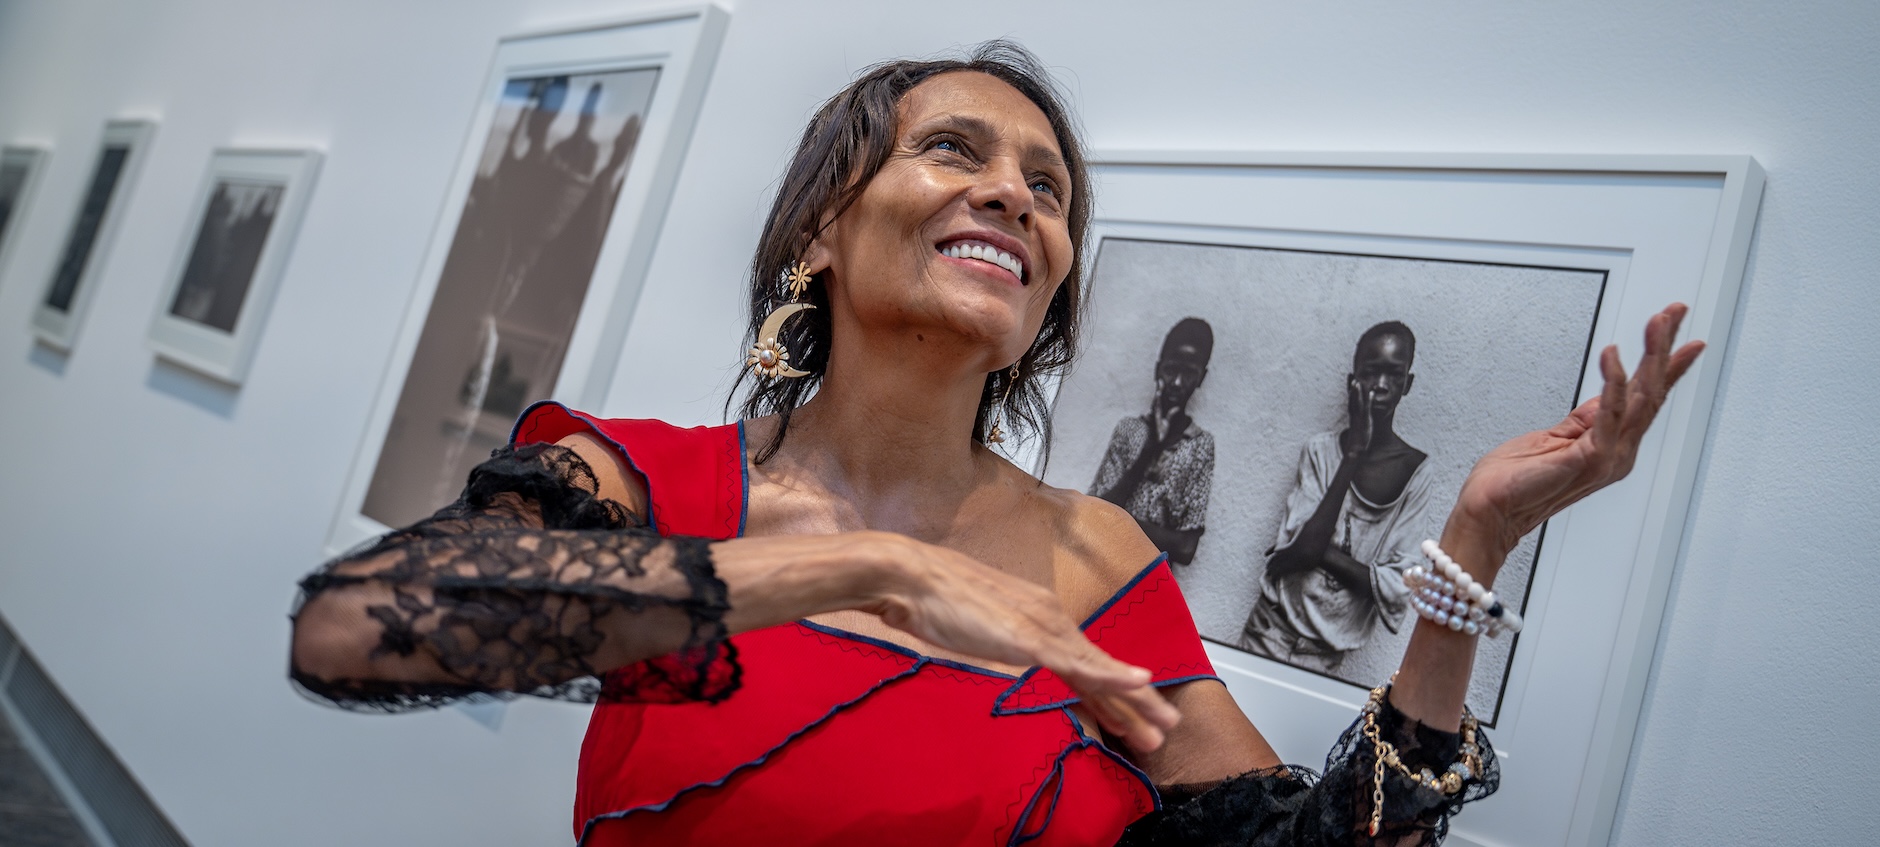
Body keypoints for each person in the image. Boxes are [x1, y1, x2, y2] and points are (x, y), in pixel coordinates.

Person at [288, 42, 1705, 846]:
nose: (1015, 196)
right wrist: (867, 568)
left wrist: (1472, 545)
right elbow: (355, 628)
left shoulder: (1097, 557)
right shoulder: (644, 475)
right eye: (954, 151)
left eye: (1047, 186)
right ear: (821, 230)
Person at [1242, 321, 1439, 675]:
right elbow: (1302, 548)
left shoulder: (1416, 472)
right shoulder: (1320, 451)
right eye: (1371, 372)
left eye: (1394, 375)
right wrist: (1353, 454)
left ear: (1407, 384)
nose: (1381, 385)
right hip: (1268, 631)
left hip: (1324, 658)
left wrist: (1316, 551)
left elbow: (1399, 585)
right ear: (1353, 382)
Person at [1089, 317, 1216, 566]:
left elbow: (1186, 548)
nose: (1177, 382)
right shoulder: (1129, 430)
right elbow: (1095, 514)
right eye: (1171, 370)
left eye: (1189, 373)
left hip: (1148, 579)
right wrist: (1150, 449)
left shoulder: (1200, 446)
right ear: (1158, 370)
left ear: (1201, 378)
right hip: (1100, 564)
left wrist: (1118, 519)